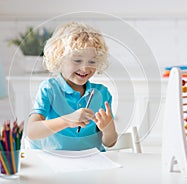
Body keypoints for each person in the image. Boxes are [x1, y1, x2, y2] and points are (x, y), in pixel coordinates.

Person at [26, 21, 118, 151]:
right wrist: (67, 120)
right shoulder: (49, 89)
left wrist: (108, 129)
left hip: (92, 162)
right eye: (77, 60)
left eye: (92, 61)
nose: (85, 67)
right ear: (59, 59)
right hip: (55, 162)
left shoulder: (102, 93)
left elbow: (110, 143)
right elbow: (32, 131)